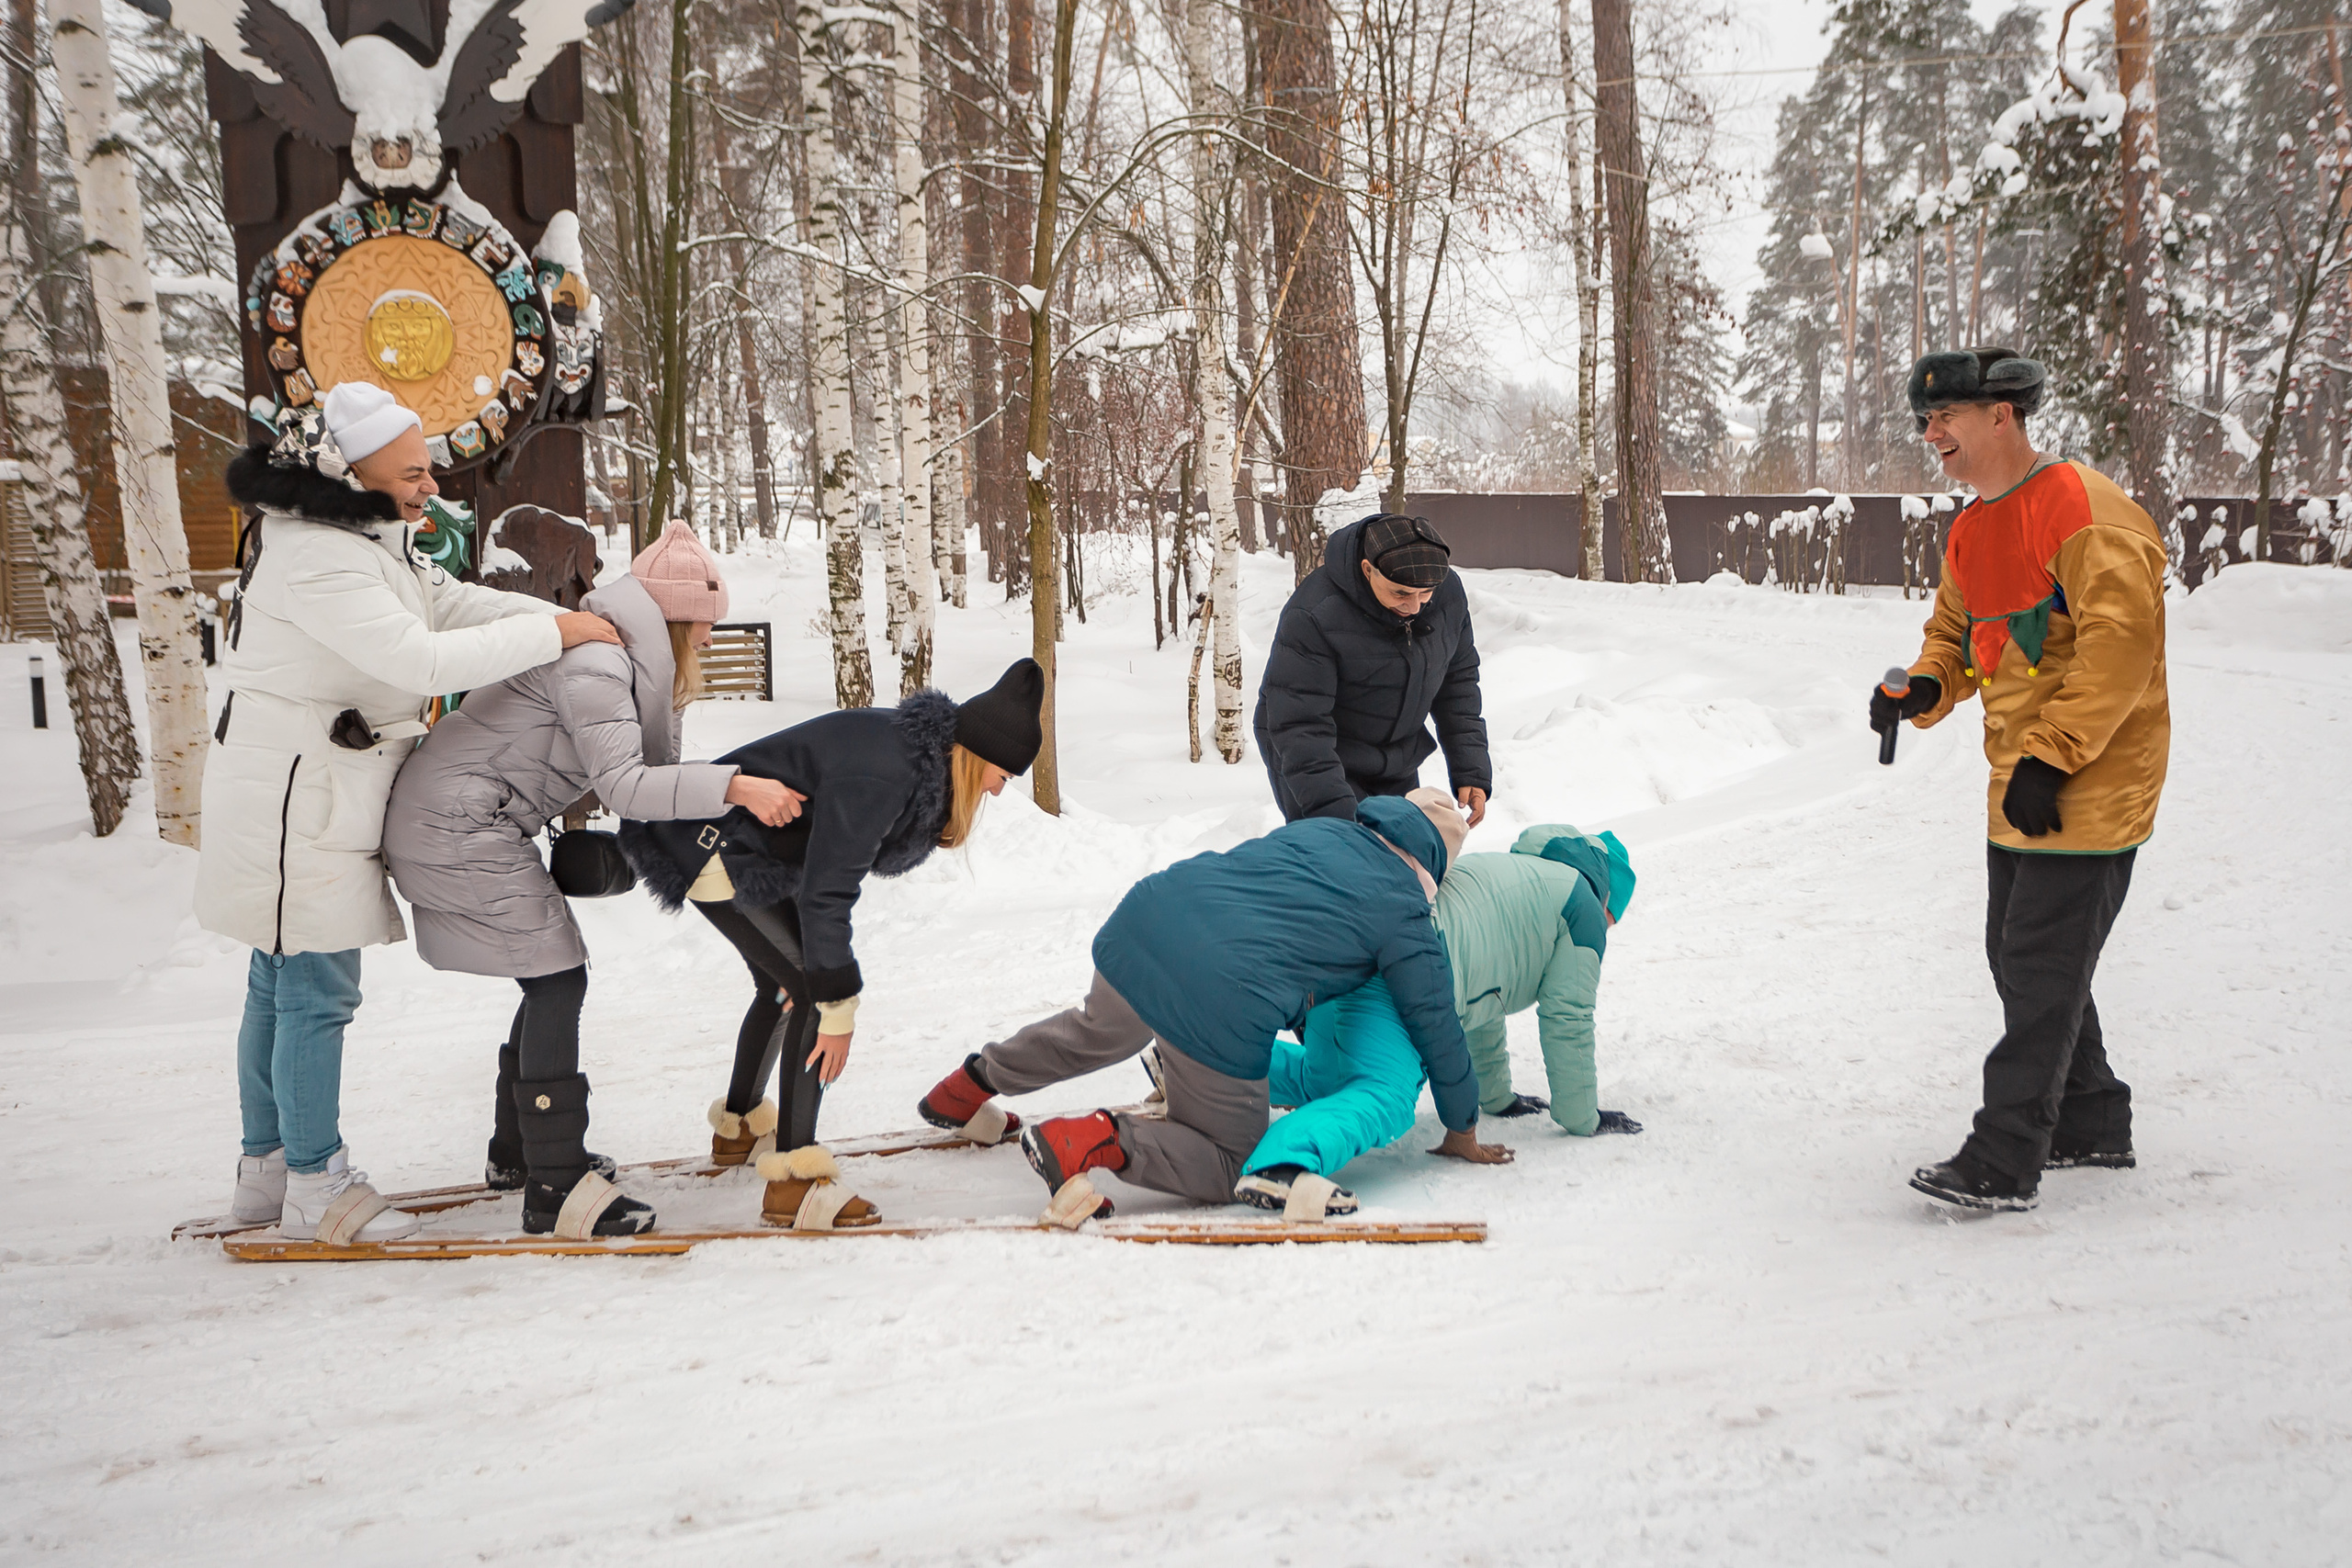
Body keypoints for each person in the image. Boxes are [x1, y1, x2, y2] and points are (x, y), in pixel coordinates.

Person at [202, 383, 621, 1246]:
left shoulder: (357, 540)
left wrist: (562, 617)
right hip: (300, 797)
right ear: (350, 469)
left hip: (303, 785)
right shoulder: (320, 554)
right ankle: (318, 1183)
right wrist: (558, 639)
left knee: (278, 979)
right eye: (413, 470)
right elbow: (421, 656)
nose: (429, 484)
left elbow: (448, 604)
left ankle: (266, 1173)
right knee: (314, 985)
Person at [382, 522, 803, 1238]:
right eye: (702, 625)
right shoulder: (598, 664)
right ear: (670, 618)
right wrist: (735, 788)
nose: (708, 639)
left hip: (469, 817)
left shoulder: (618, 657)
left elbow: (639, 781)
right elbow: (630, 786)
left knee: (545, 970)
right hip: (456, 824)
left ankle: (518, 1154)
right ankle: (555, 1186)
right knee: (556, 976)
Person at [1874, 346, 2170, 1213]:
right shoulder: (1974, 526)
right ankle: (2092, 1116)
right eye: (1925, 421)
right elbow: (1958, 636)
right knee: (2019, 954)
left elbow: (2122, 647)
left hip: (2094, 771)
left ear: (2002, 414)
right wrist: (1922, 689)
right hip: (2025, 773)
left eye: (1946, 418)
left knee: (2039, 963)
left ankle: (2006, 1155)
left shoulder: (2079, 505)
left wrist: (2052, 754)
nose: (1932, 434)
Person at [916, 789, 1490, 1221]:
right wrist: (1462, 1122)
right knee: (1232, 1162)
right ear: (1432, 867)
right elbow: (1433, 1022)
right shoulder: (1405, 913)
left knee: (1097, 1030)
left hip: (1150, 917)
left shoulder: (1321, 832)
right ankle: (1090, 1139)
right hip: (1222, 991)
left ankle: (968, 1087)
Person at [620, 658, 1046, 1230]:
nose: (999, 790)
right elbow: (827, 892)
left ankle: (739, 1130)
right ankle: (795, 1184)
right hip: (711, 843)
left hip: (743, 850)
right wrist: (838, 1005)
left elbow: (822, 869)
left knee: (782, 984)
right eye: (1004, 775)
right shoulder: (888, 771)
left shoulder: (913, 757)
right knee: (810, 992)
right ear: (977, 758)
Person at [1238, 821, 1645, 1211]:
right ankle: (1282, 1164)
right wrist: (1582, 1118)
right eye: (1612, 920)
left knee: (1324, 1076)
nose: (1606, 930)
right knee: (1387, 1095)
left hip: (1347, 942)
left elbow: (1483, 1004)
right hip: (1405, 965)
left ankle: (1200, 1066)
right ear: (1606, 897)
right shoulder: (1583, 909)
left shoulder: (1515, 877)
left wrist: (1497, 1099)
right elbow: (1567, 1018)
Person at [1254, 513, 1492, 827]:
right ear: (1368, 570)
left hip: (1395, 757)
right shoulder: (1313, 614)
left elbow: (1457, 682)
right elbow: (1300, 725)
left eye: (1425, 593)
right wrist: (1340, 819)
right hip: (1318, 755)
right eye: (1400, 593)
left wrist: (1470, 767)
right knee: (1344, 858)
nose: (1415, 607)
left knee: (1403, 853)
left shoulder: (1447, 594)